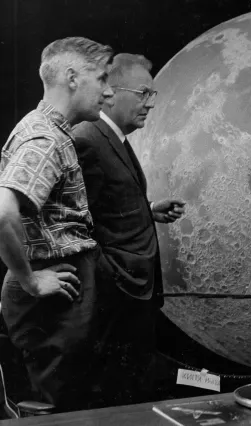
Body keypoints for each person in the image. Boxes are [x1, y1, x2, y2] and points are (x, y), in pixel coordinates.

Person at [0, 37, 114, 412]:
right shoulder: (44, 137)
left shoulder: (51, 132)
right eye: (101, 78)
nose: (108, 91)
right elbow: (2, 211)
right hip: (52, 295)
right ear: (71, 77)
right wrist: (31, 280)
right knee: (64, 412)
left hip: (60, 288)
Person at [73, 53, 185, 407]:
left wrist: (149, 211)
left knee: (134, 387)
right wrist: (110, 277)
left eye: (152, 95)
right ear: (110, 92)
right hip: (116, 296)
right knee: (116, 392)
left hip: (133, 295)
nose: (150, 104)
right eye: (143, 93)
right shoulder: (89, 139)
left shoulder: (114, 138)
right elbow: (79, 222)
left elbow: (108, 206)